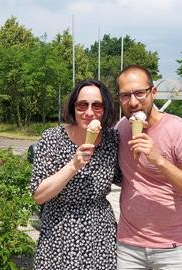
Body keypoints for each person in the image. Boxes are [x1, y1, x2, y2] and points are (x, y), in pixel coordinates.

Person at [115, 64, 182, 269]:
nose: (133, 102)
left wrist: (159, 160)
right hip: (127, 246)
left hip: (173, 247)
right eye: (125, 95)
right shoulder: (120, 129)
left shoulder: (179, 130)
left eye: (139, 93)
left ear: (153, 92)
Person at [30, 79, 121, 270]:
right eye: (82, 105)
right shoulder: (53, 138)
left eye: (97, 105)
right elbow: (39, 195)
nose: (89, 112)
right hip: (59, 231)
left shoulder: (111, 139)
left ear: (105, 109)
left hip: (99, 232)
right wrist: (73, 165)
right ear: (73, 107)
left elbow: (127, 177)